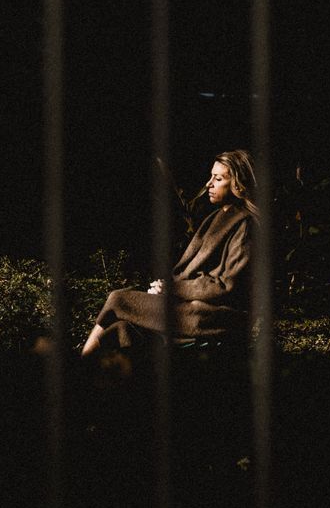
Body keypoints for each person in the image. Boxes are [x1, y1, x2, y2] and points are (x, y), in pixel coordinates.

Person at [80, 150, 258, 355]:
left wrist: (173, 289)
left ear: (237, 184)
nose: (209, 184)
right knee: (122, 329)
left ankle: (78, 368)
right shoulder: (215, 217)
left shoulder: (247, 224)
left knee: (118, 299)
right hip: (189, 303)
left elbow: (227, 285)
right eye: (211, 176)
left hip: (212, 315)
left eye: (217, 179)